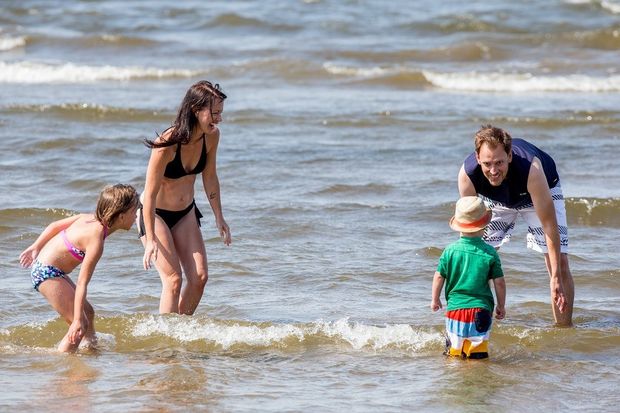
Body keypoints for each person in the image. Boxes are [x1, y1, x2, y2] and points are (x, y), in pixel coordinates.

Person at [457, 124, 574, 326]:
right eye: (487, 163)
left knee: (559, 265)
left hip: (535, 193)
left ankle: (564, 331)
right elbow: (469, 233)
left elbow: (549, 226)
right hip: (495, 200)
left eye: (499, 162)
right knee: (478, 260)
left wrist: (555, 277)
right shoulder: (468, 176)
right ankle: (473, 326)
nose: (493, 170)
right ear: (478, 159)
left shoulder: (532, 170)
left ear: (509, 156)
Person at [139, 80, 231, 315]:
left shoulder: (211, 137)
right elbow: (149, 195)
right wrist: (149, 239)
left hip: (185, 213)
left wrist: (219, 217)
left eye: (220, 113)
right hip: (155, 214)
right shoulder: (166, 144)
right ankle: (164, 348)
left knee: (199, 277)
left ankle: (177, 333)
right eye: (214, 113)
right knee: (173, 279)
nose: (219, 119)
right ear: (195, 110)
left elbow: (210, 177)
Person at [19, 184, 140, 352]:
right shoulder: (96, 239)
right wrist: (76, 320)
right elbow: (82, 282)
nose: (137, 215)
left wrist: (36, 246)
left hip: (49, 269)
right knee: (80, 325)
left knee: (88, 312)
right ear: (120, 216)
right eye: (135, 210)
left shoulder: (87, 217)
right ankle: (63, 361)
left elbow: (54, 225)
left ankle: (90, 349)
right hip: (46, 273)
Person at [431, 196, 506, 359]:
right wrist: (501, 305)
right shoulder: (490, 252)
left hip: (455, 311)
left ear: (458, 226)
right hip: (481, 311)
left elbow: (438, 277)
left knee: (454, 354)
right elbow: (499, 282)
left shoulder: (449, 251)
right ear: (485, 225)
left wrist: (435, 299)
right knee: (477, 356)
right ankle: (477, 379)